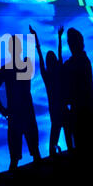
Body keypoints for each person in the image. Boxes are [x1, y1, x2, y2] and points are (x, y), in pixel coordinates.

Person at [0, 34, 41, 171]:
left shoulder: (7, 68)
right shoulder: (23, 64)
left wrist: (3, 110)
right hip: (25, 113)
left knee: (15, 159)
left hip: (16, 114)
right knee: (34, 154)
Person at [29, 25, 73, 156]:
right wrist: (59, 37)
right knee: (69, 139)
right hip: (64, 109)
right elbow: (58, 53)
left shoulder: (47, 76)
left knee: (53, 141)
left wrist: (35, 36)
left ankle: (53, 161)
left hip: (55, 111)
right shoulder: (59, 70)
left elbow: (40, 54)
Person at [63, 28, 93, 152]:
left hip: (80, 111)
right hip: (86, 109)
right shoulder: (84, 60)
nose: (70, 45)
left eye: (71, 42)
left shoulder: (74, 63)